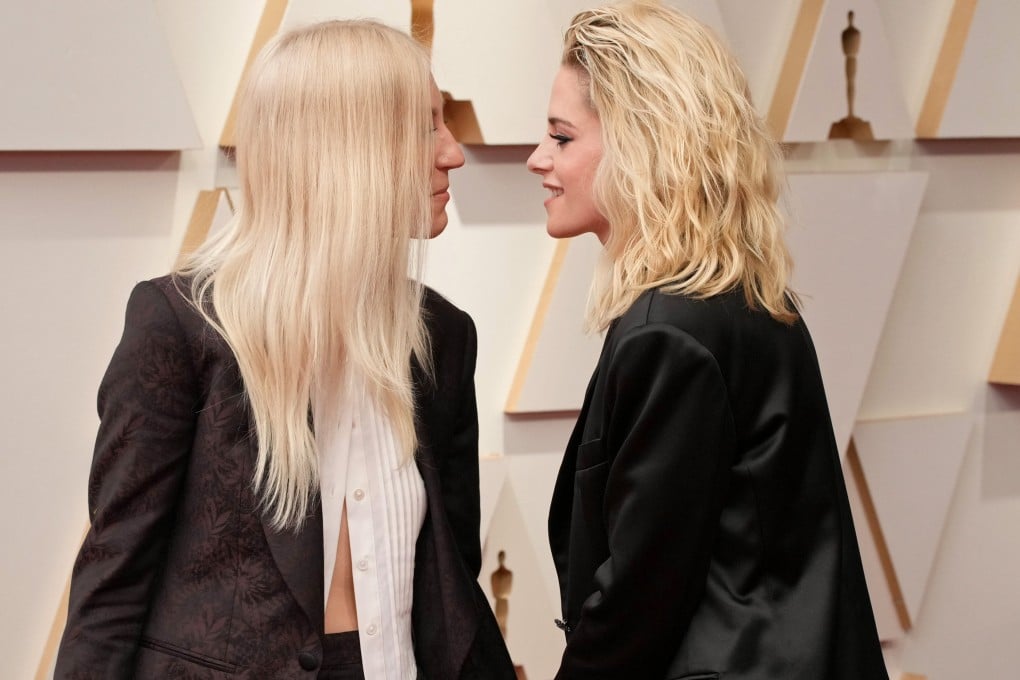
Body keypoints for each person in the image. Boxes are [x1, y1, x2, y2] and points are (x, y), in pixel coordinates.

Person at [55, 19, 514, 680]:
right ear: (343, 147)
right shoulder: (181, 328)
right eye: (425, 126)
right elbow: (111, 593)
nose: (453, 153)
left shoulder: (443, 336)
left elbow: (450, 582)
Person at [527, 3, 888, 679]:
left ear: (643, 143)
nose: (538, 158)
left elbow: (639, 600)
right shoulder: (741, 297)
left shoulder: (670, 329)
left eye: (562, 137)